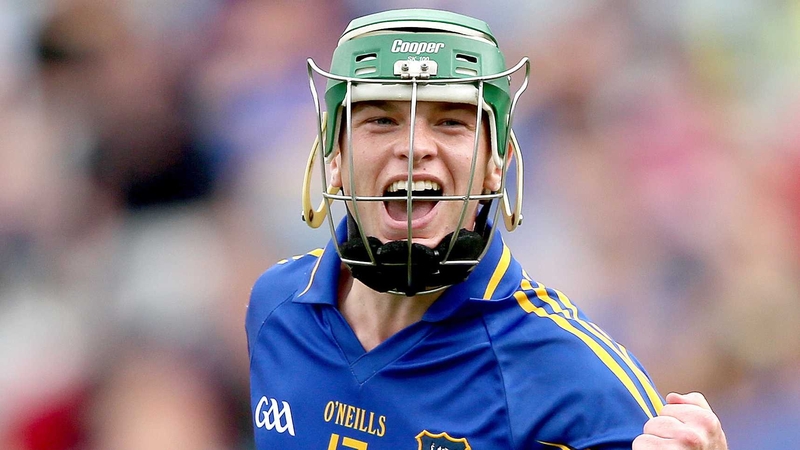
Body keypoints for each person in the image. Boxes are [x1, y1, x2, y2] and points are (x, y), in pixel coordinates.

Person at [246, 8, 728, 449]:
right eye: (382, 119)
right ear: (334, 158)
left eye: (451, 122)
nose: (414, 146)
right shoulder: (276, 310)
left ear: (496, 166)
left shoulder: (577, 383)